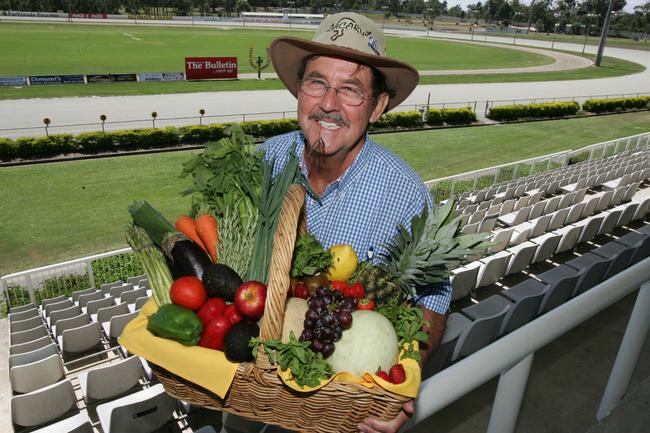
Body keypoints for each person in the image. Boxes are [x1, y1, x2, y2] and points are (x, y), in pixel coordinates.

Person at [223, 12, 450, 433]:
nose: (329, 104)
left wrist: (400, 385)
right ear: (299, 91)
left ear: (378, 106)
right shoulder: (265, 162)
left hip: (341, 414)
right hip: (248, 399)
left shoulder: (404, 193)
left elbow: (433, 300)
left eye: (350, 89)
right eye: (317, 83)